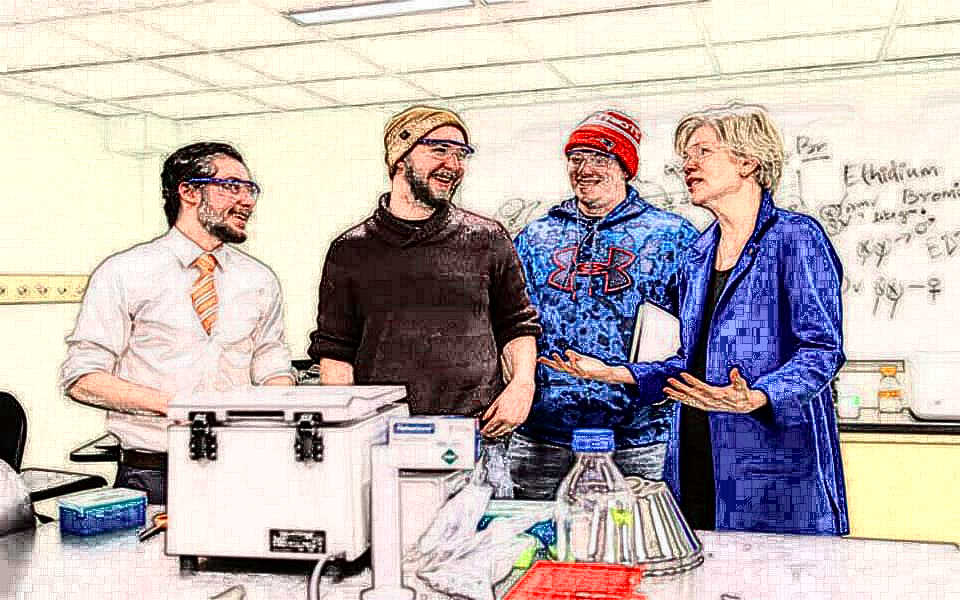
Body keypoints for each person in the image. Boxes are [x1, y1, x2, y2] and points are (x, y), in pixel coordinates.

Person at [542, 103, 849, 535]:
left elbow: (821, 349)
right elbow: (688, 364)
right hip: (695, 454)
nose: (688, 165)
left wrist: (760, 395)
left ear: (748, 161)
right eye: (686, 156)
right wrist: (614, 372)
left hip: (771, 461)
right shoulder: (699, 253)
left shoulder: (795, 237)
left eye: (703, 151)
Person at [60, 142, 295, 504]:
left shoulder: (259, 280)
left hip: (241, 466)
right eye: (232, 186)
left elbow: (271, 362)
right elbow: (83, 378)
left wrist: (280, 415)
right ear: (188, 192)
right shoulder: (123, 272)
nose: (247, 200)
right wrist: (179, 407)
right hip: (151, 474)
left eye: (251, 189)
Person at [307, 106, 541, 439]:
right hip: (385, 436)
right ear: (400, 158)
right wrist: (346, 430)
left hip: (479, 433)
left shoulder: (488, 238)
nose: (454, 165)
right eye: (440, 150)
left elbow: (516, 324)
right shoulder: (350, 250)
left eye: (461, 154)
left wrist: (522, 385)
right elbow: (335, 351)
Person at [510, 110, 699, 499]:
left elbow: (698, 333)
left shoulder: (673, 236)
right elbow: (509, 322)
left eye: (600, 158)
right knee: (539, 535)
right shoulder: (534, 236)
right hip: (541, 438)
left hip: (639, 439)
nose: (585, 169)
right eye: (576, 158)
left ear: (625, 167)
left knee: (636, 535)